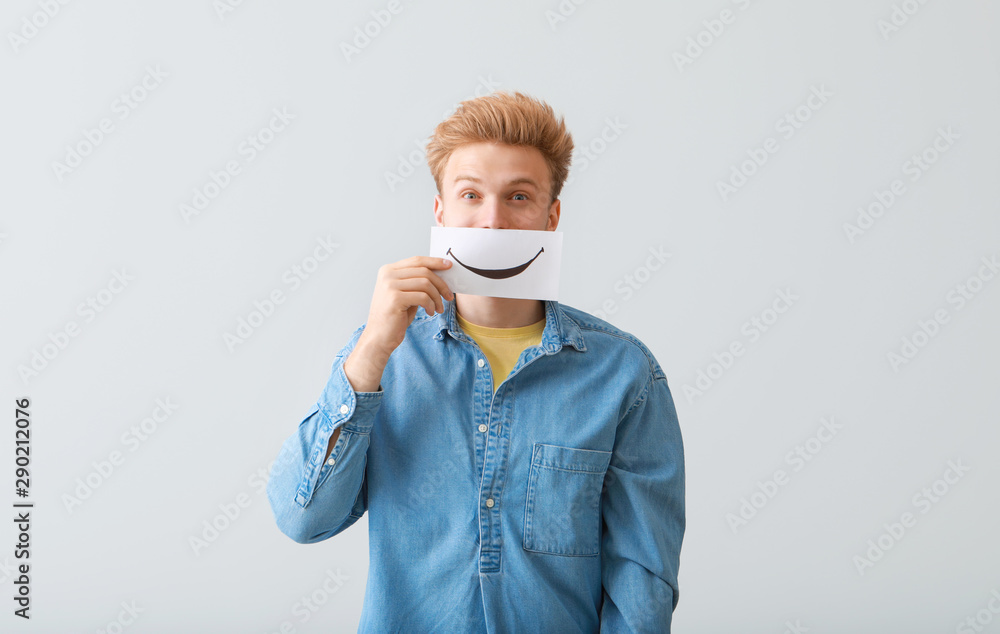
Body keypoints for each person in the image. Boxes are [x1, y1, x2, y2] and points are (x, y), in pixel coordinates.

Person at [266, 91, 685, 632]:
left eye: (518, 197)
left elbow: (643, 577)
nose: (492, 221)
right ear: (441, 211)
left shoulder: (624, 375)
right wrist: (370, 351)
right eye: (470, 195)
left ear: (550, 216)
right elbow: (303, 520)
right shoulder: (381, 360)